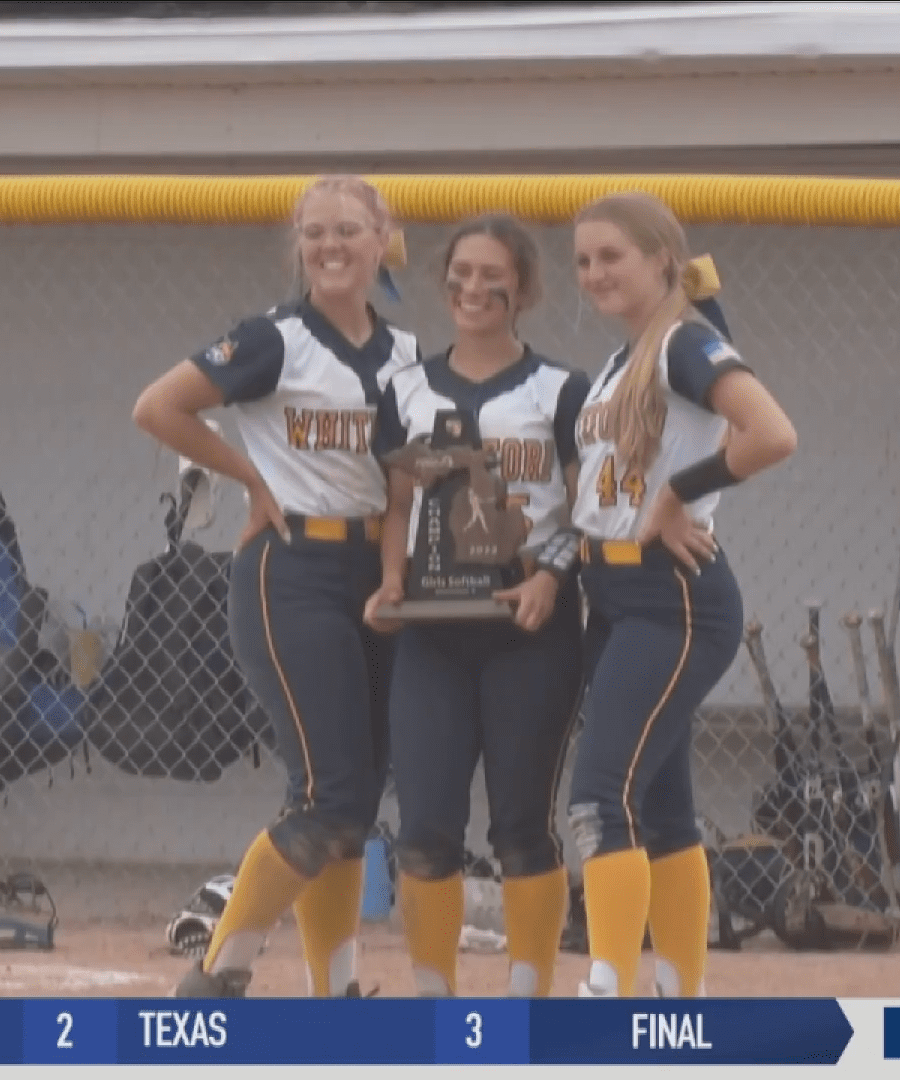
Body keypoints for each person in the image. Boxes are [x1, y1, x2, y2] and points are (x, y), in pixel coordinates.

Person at [133, 174, 416, 998]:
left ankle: (338, 992)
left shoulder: (403, 354)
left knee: (353, 807)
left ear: (380, 238)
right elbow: (159, 407)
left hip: (375, 572)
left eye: (348, 231)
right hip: (292, 569)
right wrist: (250, 476)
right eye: (316, 232)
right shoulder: (275, 339)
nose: (330, 247)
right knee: (327, 793)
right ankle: (219, 975)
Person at [565, 191, 797, 998]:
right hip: (619, 592)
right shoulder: (627, 355)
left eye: (612, 256)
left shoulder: (680, 345)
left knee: (601, 794)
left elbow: (770, 433)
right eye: (584, 260)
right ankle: (679, 996)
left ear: (664, 260)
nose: (594, 272)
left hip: (673, 594)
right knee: (661, 806)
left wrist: (675, 497)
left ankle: (608, 984)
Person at [364, 212, 589, 998]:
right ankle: (434, 1001)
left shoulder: (562, 389)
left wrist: (550, 577)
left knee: (523, 824)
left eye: (493, 274)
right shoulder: (407, 388)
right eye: (460, 273)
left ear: (522, 287)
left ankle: (527, 1000)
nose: (474, 287)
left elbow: (587, 511)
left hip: (530, 629)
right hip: (432, 634)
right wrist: (392, 580)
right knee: (426, 827)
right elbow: (395, 505)